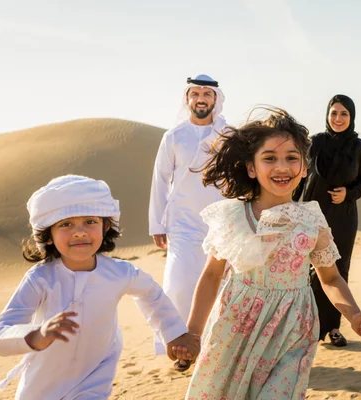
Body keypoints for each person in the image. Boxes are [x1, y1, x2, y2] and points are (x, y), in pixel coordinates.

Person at [173, 108, 361, 399]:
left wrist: (354, 314)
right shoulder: (231, 216)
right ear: (252, 168)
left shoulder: (312, 220)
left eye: (291, 158)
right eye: (270, 158)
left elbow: (330, 278)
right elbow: (211, 275)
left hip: (293, 329)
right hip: (235, 325)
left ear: (305, 167)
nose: (282, 166)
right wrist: (193, 332)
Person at [0, 175, 199, 399]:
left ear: (106, 226)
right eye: (66, 224)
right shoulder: (40, 279)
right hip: (41, 388)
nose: (79, 232)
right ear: (48, 235)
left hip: (94, 381)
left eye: (90, 221)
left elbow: (151, 294)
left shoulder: (120, 272)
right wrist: (36, 335)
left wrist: (174, 334)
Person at [148, 74, 227, 368]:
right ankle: (181, 345)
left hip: (219, 223)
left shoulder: (228, 133)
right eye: (196, 94)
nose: (201, 98)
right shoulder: (174, 136)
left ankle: (215, 350)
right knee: (179, 284)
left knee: (220, 288)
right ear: (188, 99)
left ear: (216, 100)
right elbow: (160, 180)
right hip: (182, 223)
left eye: (207, 94)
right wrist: (157, 223)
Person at [295, 94, 361, 347]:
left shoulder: (358, 147)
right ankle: (308, 328)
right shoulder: (315, 142)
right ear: (327, 115)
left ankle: (332, 328)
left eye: (344, 114)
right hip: (310, 213)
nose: (338, 119)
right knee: (308, 273)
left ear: (351, 117)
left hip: (342, 216)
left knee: (337, 271)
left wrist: (349, 193)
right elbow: (299, 173)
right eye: (334, 113)